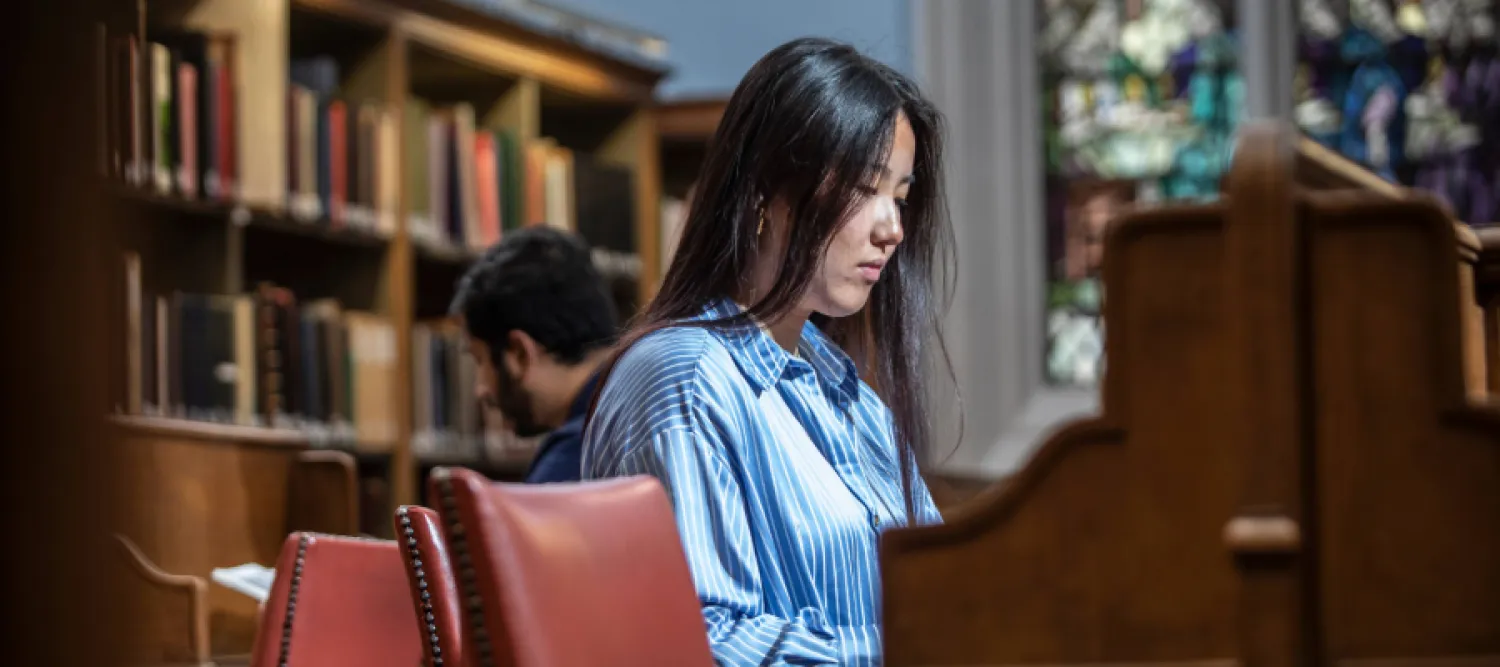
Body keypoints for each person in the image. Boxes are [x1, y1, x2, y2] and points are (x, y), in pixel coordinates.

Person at [582, 37, 952, 666]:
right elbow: (703, 641)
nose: (893, 229)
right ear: (762, 193)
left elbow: (950, 592)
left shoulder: (853, 400)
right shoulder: (686, 379)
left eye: (902, 197)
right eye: (866, 188)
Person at [450, 227, 618, 483]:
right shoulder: (644, 407)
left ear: (519, 353)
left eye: (480, 360)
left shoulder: (575, 460)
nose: (480, 389)